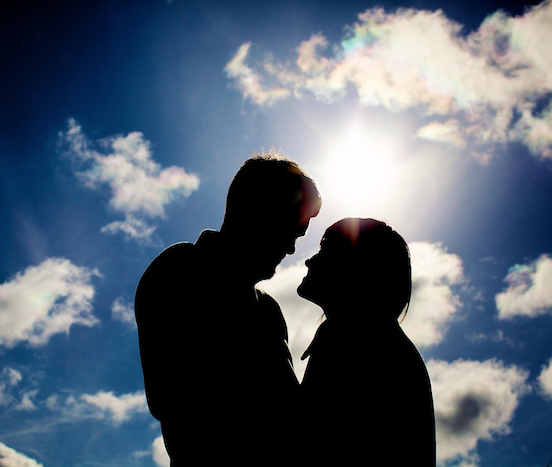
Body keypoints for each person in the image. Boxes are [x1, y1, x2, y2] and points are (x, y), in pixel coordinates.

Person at [135, 152, 321, 465]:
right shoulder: (178, 270)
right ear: (259, 211)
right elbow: (171, 400)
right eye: (290, 231)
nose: (290, 249)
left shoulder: (269, 310)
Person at [297, 218, 435, 465]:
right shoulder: (371, 338)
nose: (310, 260)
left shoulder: (354, 343)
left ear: (354, 267)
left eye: (325, 251)